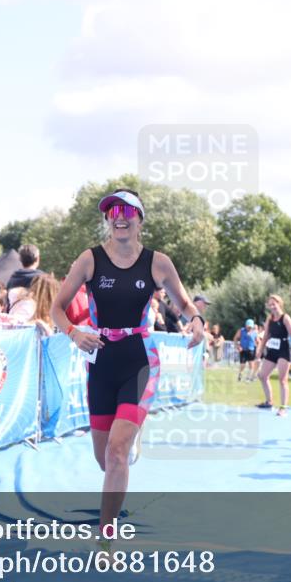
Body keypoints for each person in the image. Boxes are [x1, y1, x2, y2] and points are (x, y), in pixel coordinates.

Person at [51, 188, 204, 542]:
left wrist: (195, 321)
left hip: (140, 359)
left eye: (127, 210)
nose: (119, 216)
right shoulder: (89, 259)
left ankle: (106, 533)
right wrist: (75, 334)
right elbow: (57, 309)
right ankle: (128, 444)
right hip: (100, 360)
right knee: (105, 458)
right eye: (112, 211)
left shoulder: (157, 262)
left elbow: (184, 303)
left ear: (139, 218)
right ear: (107, 219)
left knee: (117, 451)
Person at [256, 294, 291, 416]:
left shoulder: (285, 318)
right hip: (272, 349)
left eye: (274, 303)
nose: (272, 306)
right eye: (270, 304)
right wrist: (260, 349)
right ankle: (269, 401)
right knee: (262, 375)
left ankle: (283, 407)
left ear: (279, 304)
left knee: (282, 380)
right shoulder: (270, 319)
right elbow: (266, 335)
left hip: (283, 350)